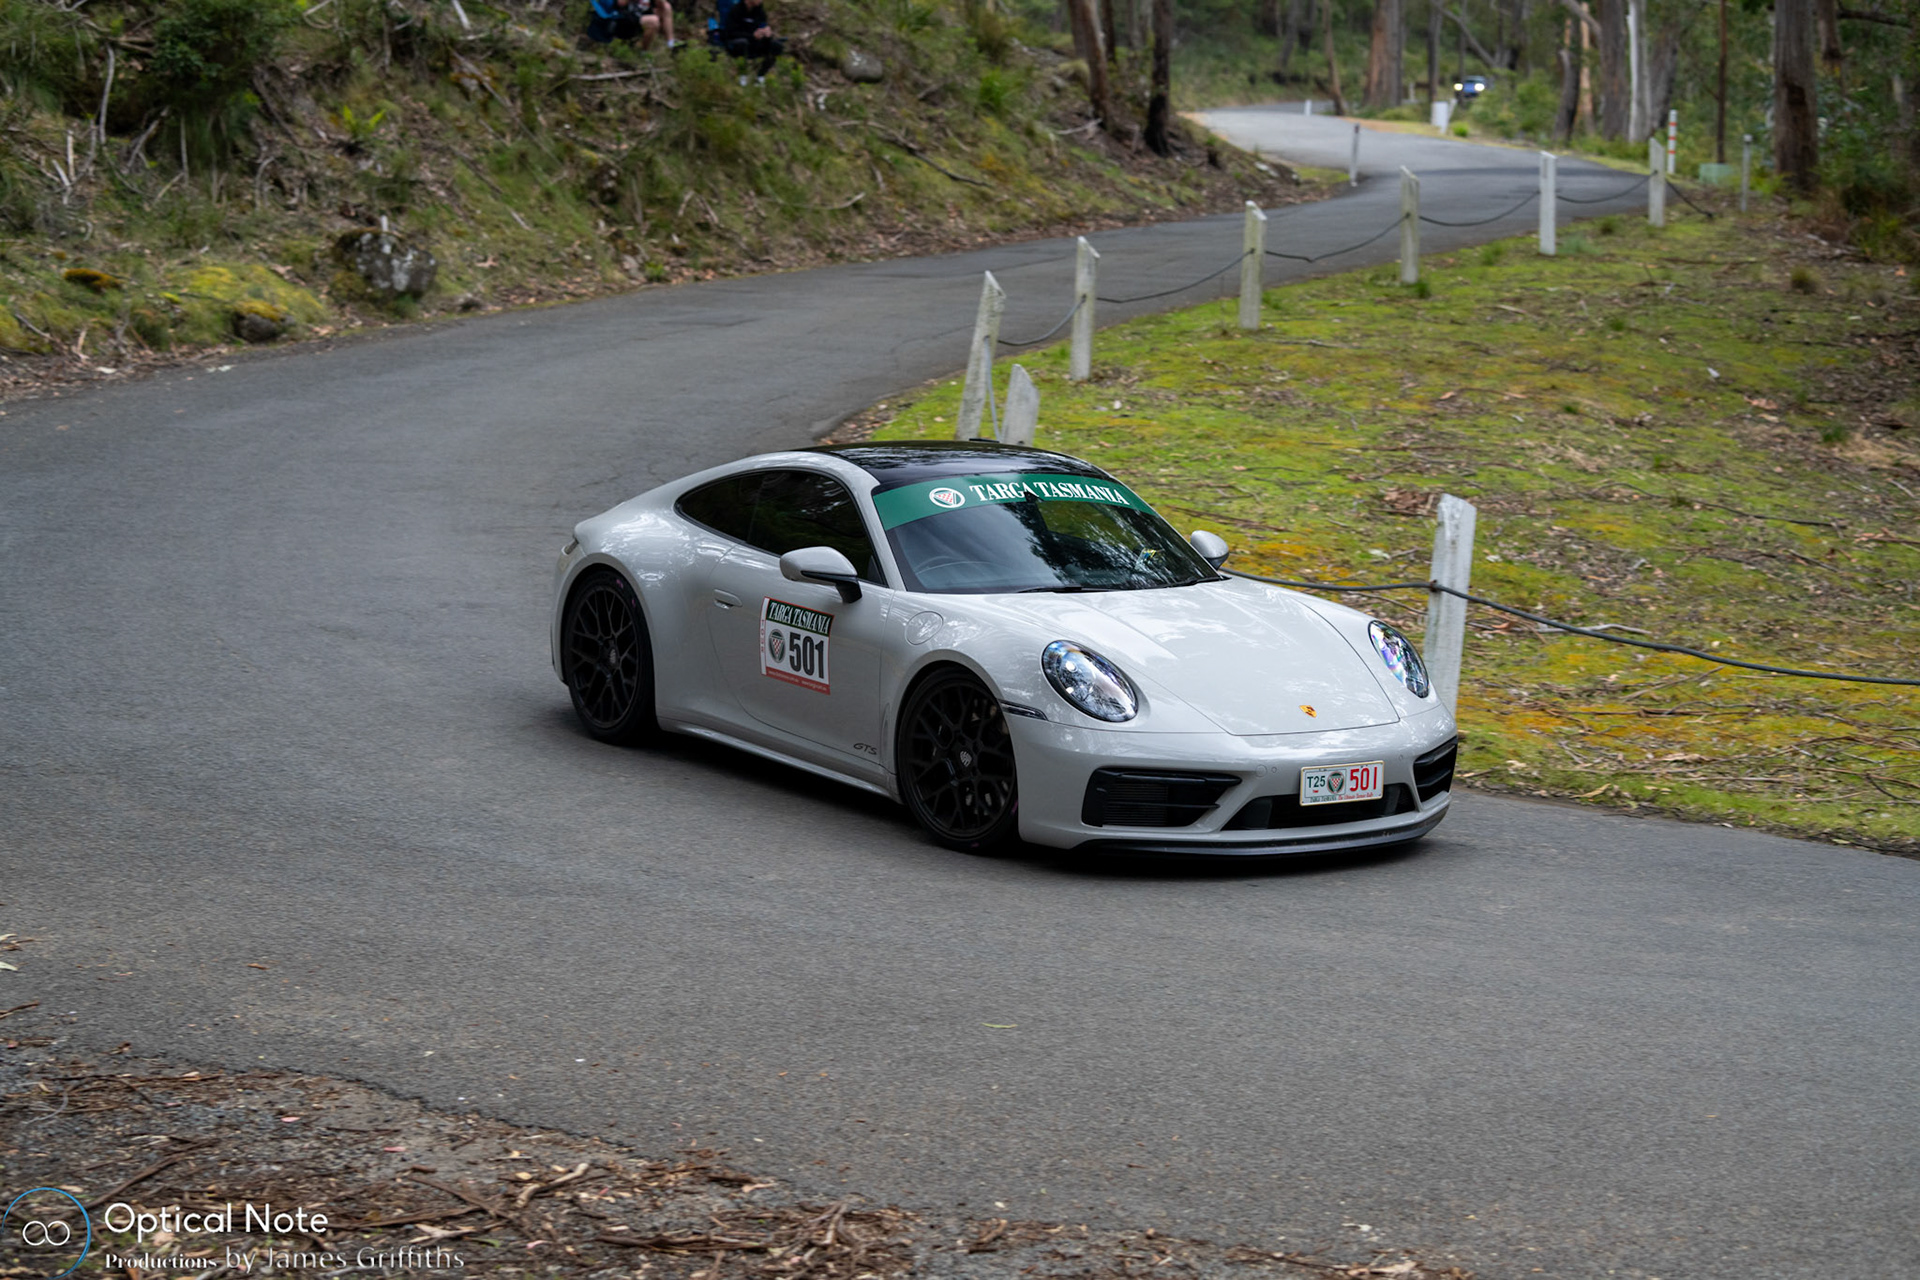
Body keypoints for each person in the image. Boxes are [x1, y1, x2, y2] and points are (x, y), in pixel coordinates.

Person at [718, 0, 784, 81]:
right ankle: (742, 75)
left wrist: (767, 34)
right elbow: (730, 32)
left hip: (755, 44)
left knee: (777, 46)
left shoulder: (760, 12)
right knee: (743, 43)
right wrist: (752, 36)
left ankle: (760, 76)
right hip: (736, 43)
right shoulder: (736, 10)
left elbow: (763, 26)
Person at [587, 0, 676, 49]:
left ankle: (670, 43)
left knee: (666, 6)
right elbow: (620, 3)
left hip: (639, 16)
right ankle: (643, 51)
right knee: (653, 21)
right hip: (622, 19)